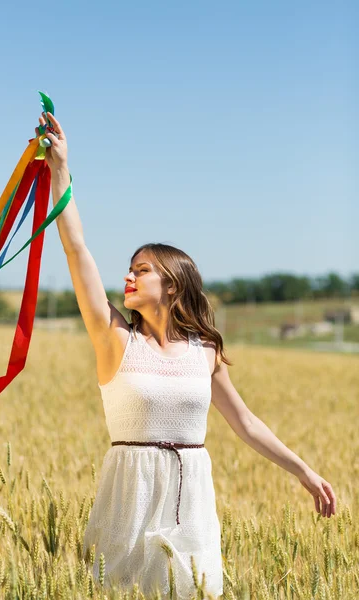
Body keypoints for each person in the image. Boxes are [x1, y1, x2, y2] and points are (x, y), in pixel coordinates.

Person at [37, 112, 337, 598]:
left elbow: (245, 422)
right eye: (128, 270)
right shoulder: (114, 338)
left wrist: (304, 471)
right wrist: (60, 169)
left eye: (141, 270)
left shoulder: (206, 351)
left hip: (190, 503)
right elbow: (76, 250)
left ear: (172, 285)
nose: (128, 277)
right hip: (127, 501)